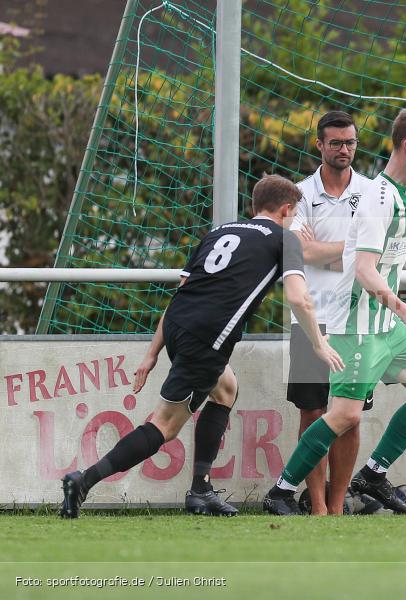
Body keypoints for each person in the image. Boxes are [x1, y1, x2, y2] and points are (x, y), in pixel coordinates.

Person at [59, 174, 343, 519]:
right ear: (286, 209)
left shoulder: (219, 232)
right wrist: (319, 344)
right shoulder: (285, 239)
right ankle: (84, 480)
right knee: (165, 425)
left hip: (178, 326)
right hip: (206, 338)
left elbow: (183, 291)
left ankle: (201, 490)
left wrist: (152, 353)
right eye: (294, 213)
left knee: (225, 389)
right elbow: (300, 298)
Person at [263, 106, 406, 516]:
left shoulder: (402, 188)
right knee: (333, 413)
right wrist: (403, 307)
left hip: (381, 321)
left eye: (350, 141)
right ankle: (285, 492)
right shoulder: (368, 197)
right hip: (347, 322)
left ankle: (369, 478)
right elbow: (357, 266)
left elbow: (397, 243)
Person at [287, 110, 373, 515]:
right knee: (313, 412)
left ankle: (338, 507)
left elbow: (381, 252)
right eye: (336, 142)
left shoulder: (374, 192)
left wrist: (331, 248)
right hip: (311, 319)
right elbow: (303, 252)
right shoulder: (299, 195)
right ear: (319, 145)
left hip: (356, 320)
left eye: (350, 142)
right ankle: (317, 505)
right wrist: (356, 247)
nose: (344, 149)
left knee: (350, 417)